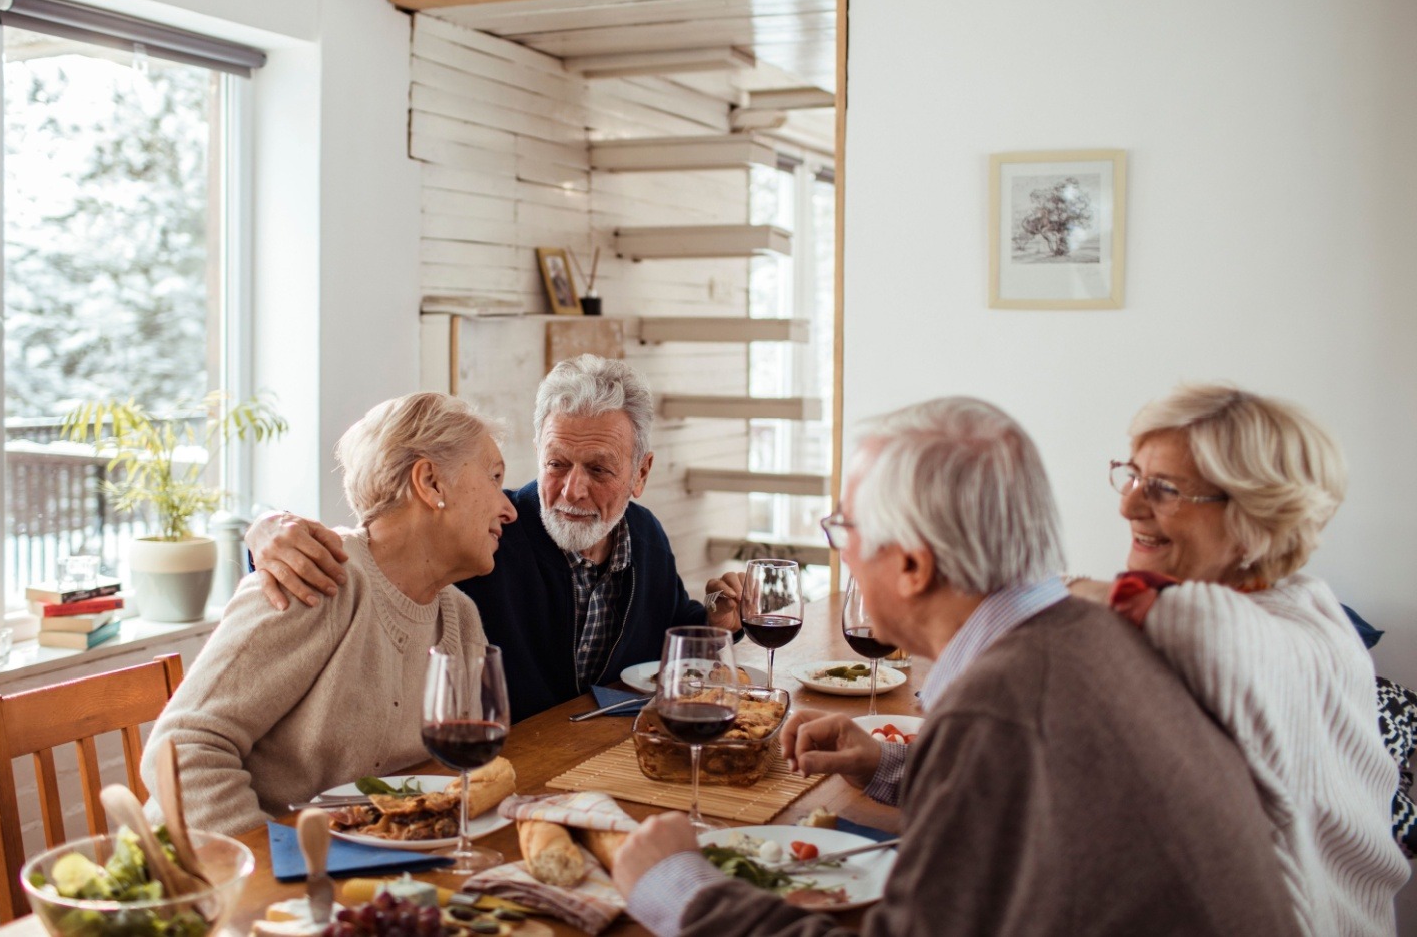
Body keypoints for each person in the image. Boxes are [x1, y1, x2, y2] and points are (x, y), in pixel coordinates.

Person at [612, 396, 1297, 937]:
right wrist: (892, 765)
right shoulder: (1089, 634)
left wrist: (683, 889)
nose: (841, 553)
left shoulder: (1001, 705)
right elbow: (1028, 815)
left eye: (845, 531)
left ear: (912, 565)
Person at [242, 355, 743, 719]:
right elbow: (373, 552)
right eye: (556, 463)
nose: (572, 488)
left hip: (605, 759)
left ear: (640, 474)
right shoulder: (484, 537)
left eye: (599, 469)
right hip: (510, 768)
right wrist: (266, 535)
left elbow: (673, 643)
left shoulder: (644, 537)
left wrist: (719, 623)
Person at [1091, 384, 1408, 934]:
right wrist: (889, 764)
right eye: (1133, 473)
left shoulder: (1270, 632)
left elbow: (1205, 626)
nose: (1128, 504)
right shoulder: (1288, 601)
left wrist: (1066, 591)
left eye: (1164, 489)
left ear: (1256, 519)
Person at [140, 393, 510, 835]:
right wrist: (276, 862)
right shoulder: (313, 580)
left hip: (357, 861)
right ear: (430, 483)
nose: (508, 508)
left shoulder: (459, 617)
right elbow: (180, 751)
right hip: (223, 877)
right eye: (493, 477)